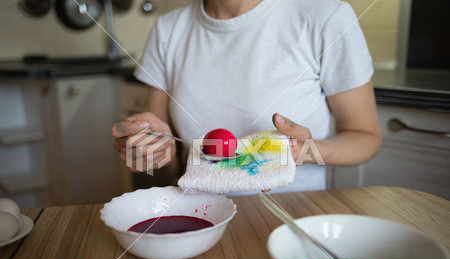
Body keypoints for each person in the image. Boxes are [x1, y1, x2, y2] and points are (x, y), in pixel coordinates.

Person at [111, 0, 382, 193]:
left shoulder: (326, 17)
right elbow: (159, 180)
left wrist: (308, 152)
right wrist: (157, 156)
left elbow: (365, 137)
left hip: (295, 221)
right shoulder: (168, 30)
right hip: (201, 222)